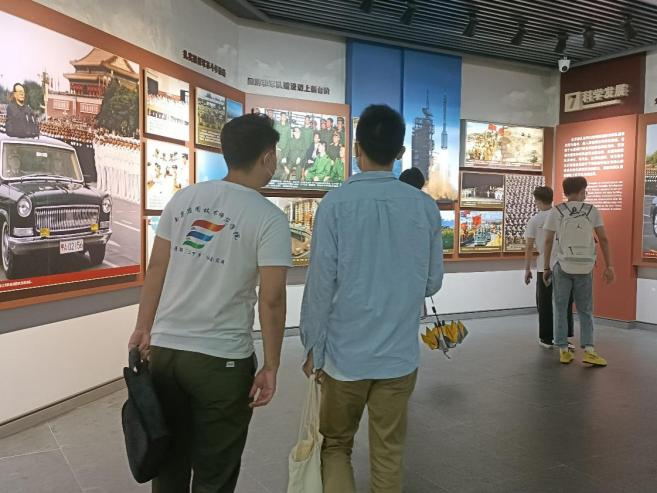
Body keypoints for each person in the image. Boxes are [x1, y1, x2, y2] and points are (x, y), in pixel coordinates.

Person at [128, 113, 292, 493]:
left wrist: (143, 327)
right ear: (267, 156)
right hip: (222, 360)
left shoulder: (184, 198)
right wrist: (271, 364)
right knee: (215, 471)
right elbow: (271, 299)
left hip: (166, 352)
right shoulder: (268, 218)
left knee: (168, 463)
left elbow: (157, 267)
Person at [300, 104, 444, 493]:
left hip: (344, 357)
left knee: (336, 446)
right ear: (401, 152)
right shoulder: (424, 207)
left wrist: (313, 346)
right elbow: (432, 282)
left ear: (356, 148)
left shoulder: (334, 204)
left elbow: (320, 285)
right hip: (399, 357)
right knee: (389, 451)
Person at [543, 176, 614, 367]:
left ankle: (563, 350)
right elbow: (604, 239)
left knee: (560, 308)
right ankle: (589, 350)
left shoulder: (557, 211)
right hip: (585, 266)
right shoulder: (592, 210)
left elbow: (548, 241)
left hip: (563, 265)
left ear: (565, 192)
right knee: (585, 309)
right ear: (582, 191)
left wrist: (546, 267)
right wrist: (609, 266)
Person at [523, 186, 574, 349]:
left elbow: (529, 247)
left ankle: (546, 338)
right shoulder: (562, 216)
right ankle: (564, 337)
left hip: (543, 267)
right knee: (564, 302)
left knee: (545, 303)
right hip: (564, 265)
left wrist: (527, 269)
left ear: (538, 201)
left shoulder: (534, 220)